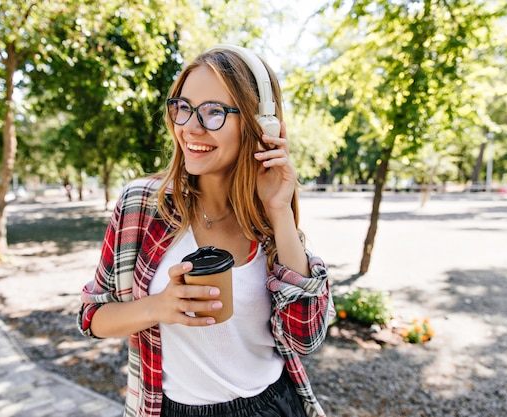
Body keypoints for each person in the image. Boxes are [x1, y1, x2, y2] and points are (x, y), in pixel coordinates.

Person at [77, 44, 335, 417]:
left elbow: (305, 337)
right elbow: (91, 319)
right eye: (183, 108)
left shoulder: (267, 221)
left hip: (271, 406)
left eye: (214, 112)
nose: (190, 127)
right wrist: (159, 306)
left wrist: (279, 213)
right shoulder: (141, 206)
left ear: (259, 124)